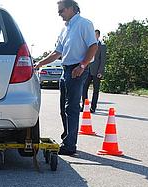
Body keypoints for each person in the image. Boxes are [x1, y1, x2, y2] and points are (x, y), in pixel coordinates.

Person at [34, 0, 97, 155]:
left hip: (77, 69)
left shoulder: (84, 24)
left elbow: (93, 46)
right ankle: (67, 139)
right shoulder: (65, 29)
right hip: (66, 70)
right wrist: (39, 63)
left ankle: (70, 146)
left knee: (72, 108)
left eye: (61, 10)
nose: (59, 14)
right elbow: (57, 52)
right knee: (64, 108)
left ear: (71, 9)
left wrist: (82, 66)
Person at [81, 29, 107, 113]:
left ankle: (93, 107)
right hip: (87, 70)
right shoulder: (88, 44)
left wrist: (100, 72)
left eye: (95, 34)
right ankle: (84, 106)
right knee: (84, 89)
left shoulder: (102, 46)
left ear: (98, 35)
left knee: (96, 90)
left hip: (96, 71)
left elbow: (102, 60)